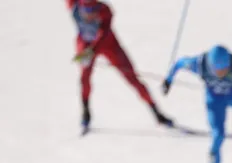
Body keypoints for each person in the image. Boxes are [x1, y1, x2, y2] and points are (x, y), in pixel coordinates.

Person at [68, 0, 172, 132]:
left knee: (132, 78)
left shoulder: (106, 11)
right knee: (84, 78)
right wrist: (83, 52)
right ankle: (86, 111)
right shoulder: (73, 5)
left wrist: (90, 52)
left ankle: (156, 111)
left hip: (108, 44)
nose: (90, 15)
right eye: (87, 11)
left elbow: (103, 35)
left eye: (94, 10)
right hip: (86, 43)